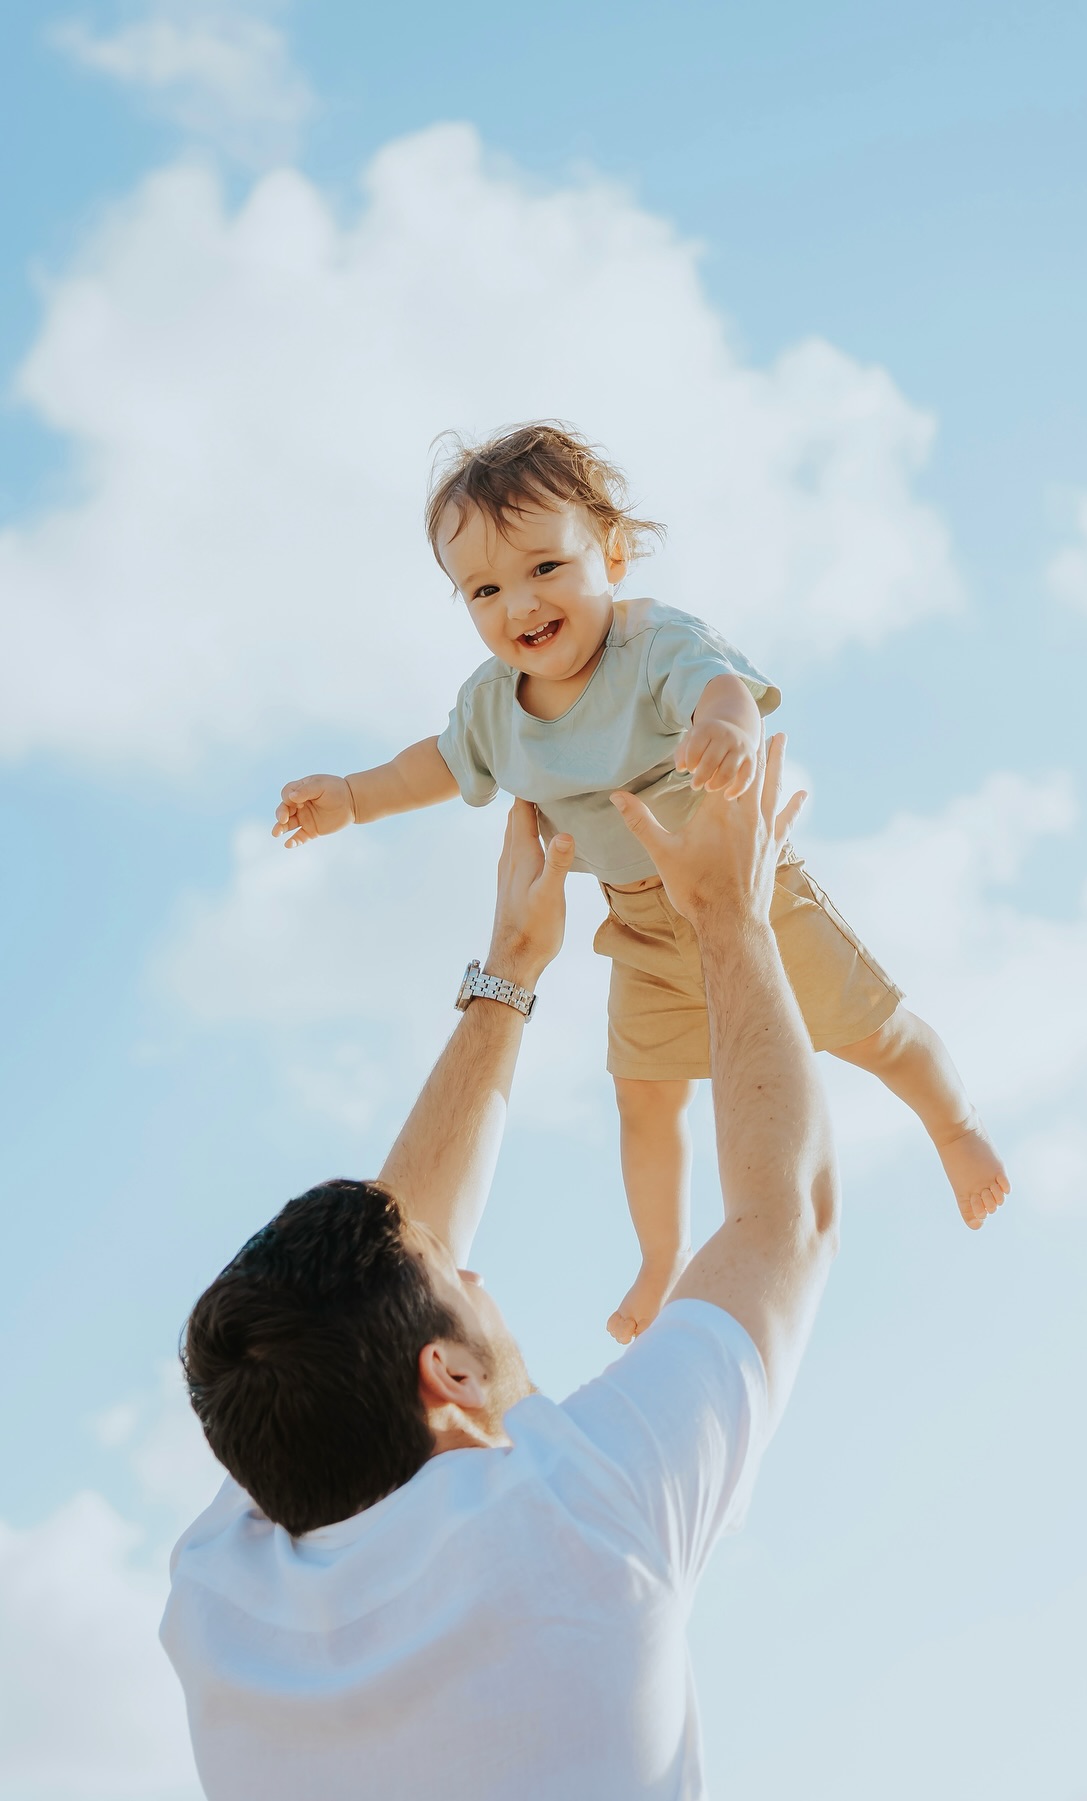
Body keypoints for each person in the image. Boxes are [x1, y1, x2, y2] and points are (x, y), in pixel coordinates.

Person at [163, 739, 836, 1801]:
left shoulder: (222, 1600)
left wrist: (511, 968)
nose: (478, 1276)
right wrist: (730, 917)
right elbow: (783, 1219)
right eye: (460, 1277)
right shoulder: (584, 1519)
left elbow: (378, 1294)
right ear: (449, 1375)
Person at [271, 421, 1008, 1344]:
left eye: (546, 567)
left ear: (611, 554)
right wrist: (350, 797)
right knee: (645, 1096)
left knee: (872, 1031)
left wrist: (726, 729)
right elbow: (434, 764)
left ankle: (955, 1123)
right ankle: (663, 1256)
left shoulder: (651, 645)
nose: (519, 604)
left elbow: (720, 687)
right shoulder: (493, 707)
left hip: (750, 894)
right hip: (642, 928)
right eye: (485, 590)